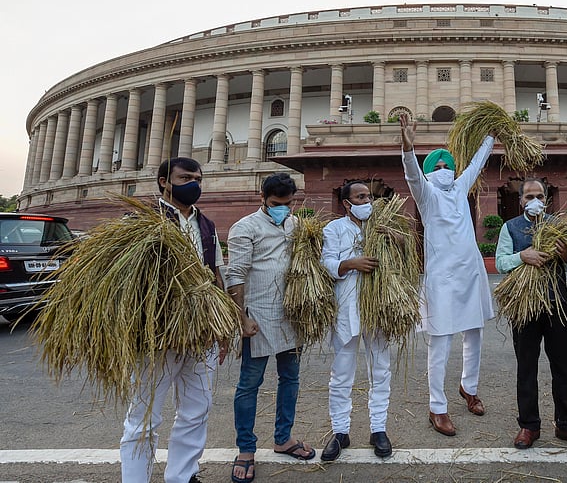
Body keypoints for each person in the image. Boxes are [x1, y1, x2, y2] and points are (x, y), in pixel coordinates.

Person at [120, 157, 227, 483]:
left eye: (198, 178)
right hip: (157, 335)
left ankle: (182, 475)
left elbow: (216, 274)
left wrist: (222, 327)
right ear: (164, 181)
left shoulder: (206, 225)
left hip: (202, 332)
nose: (194, 183)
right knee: (143, 416)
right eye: (185, 177)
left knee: (197, 409)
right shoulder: (140, 220)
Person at [398, 113, 494, 436]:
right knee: (440, 342)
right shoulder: (427, 195)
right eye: (436, 168)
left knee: (474, 335)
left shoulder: (460, 188)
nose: (443, 171)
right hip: (441, 278)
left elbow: (477, 164)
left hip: (470, 272)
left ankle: (469, 388)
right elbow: (412, 176)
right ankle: (437, 408)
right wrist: (408, 149)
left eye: (446, 166)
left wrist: (490, 137)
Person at [226, 173, 315, 483]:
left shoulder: (295, 224)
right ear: (261, 198)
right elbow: (235, 275)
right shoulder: (245, 228)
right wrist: (242, 318)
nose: (284, 209)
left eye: (289, 204)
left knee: (290, 378)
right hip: (258, 316)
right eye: (277, 204)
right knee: (250, 383)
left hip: (291, 314)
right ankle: (246, 450)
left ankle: (283, 438)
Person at [495, 178, 567, 451]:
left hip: (557, 305)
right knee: (526, 367)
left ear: (546, 199)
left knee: (562, 366)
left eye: (539, 195)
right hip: (524, 307)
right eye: (529, 196)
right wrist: (521, 256)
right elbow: (501, 262)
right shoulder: (510, 227)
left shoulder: (559, 226)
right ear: (521, 201)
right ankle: (529, 426)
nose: (534, 200)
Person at [319, 181, 393, 461]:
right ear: (347, 204)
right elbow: (326, 263)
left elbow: (403, 253)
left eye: (369, 197)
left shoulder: (381, 226)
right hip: (347, 308)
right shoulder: (334, 229)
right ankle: (340, 431)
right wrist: (351, 263)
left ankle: (378, 429)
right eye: (360, 197)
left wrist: (395, 239)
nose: (367, 201)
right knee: (341, 372)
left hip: (378, 307)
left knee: (381, 369)